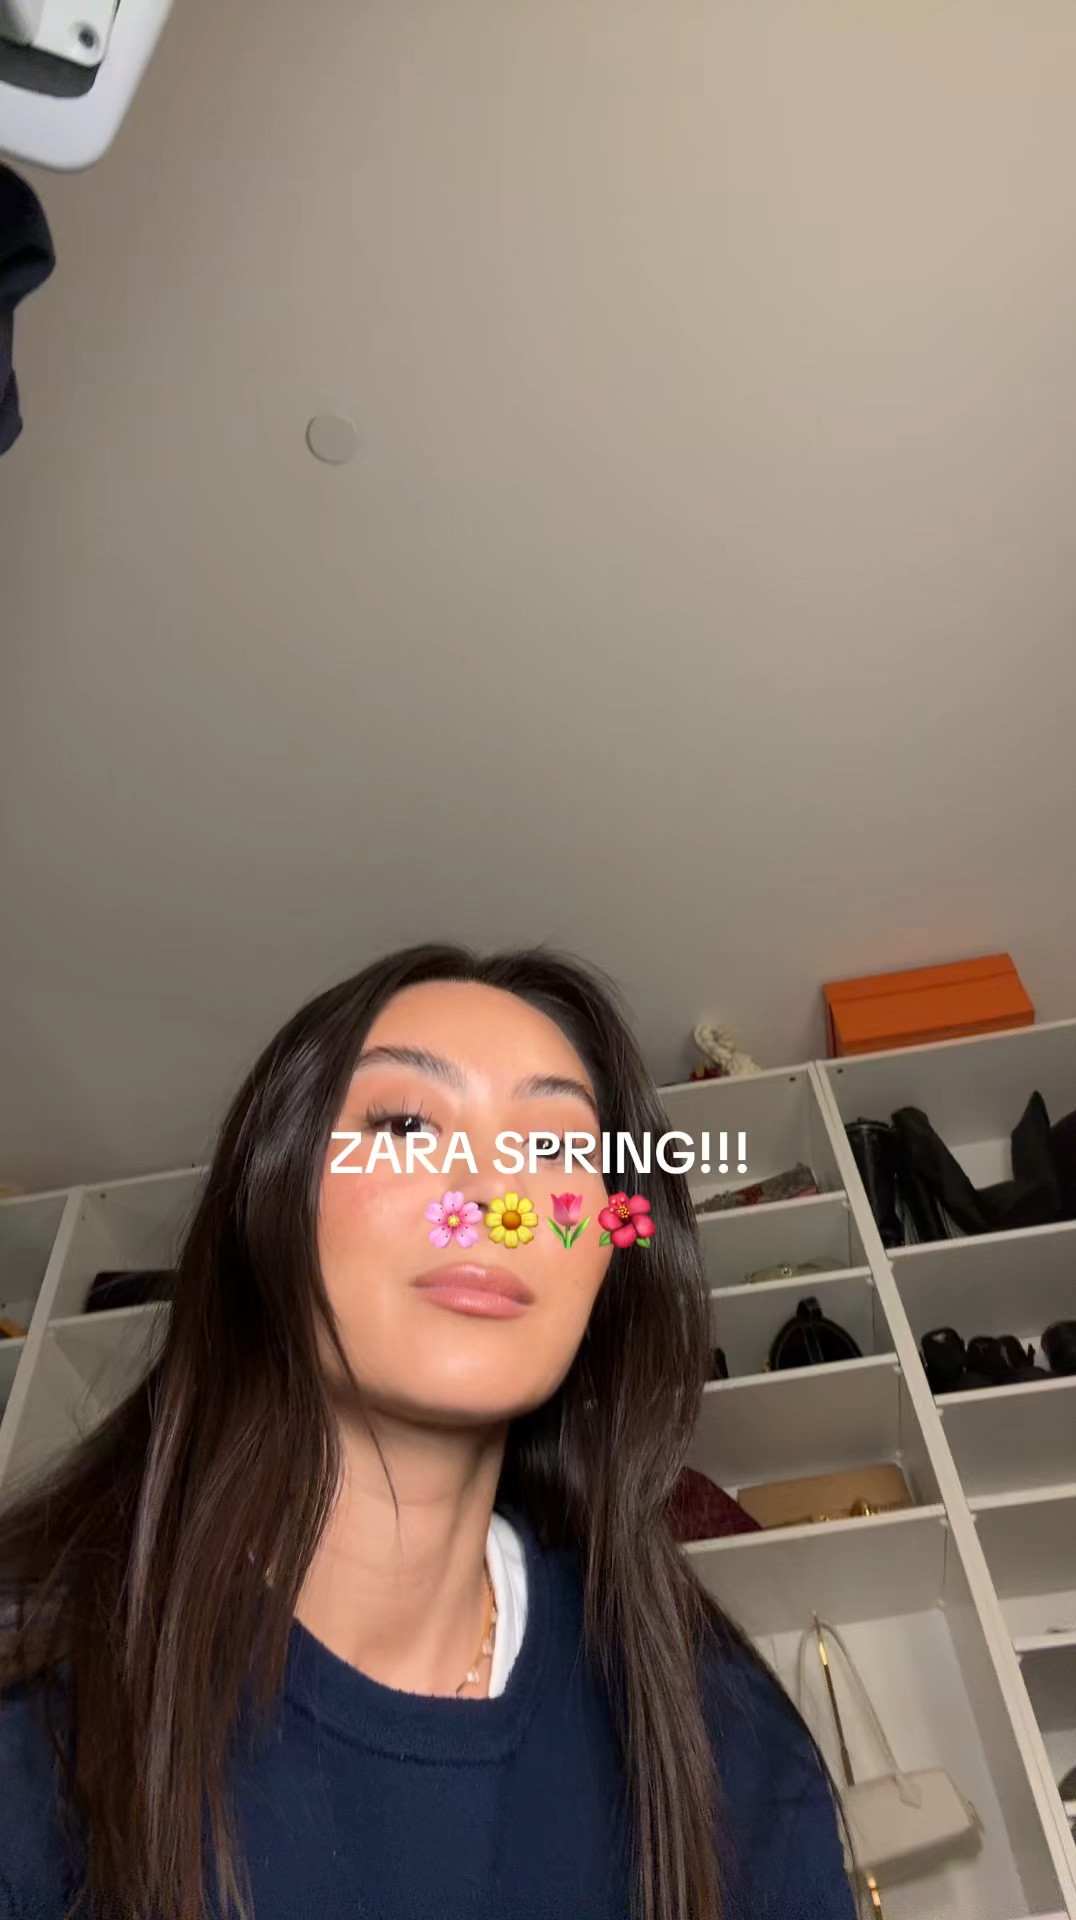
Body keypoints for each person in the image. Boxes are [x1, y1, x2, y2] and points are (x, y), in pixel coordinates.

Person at [0, 944, 857, 1920]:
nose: (495, 1198)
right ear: (270, 1205)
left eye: (558, 1150)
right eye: (405, 1125)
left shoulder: (727, 1741)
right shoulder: (36, 1706)